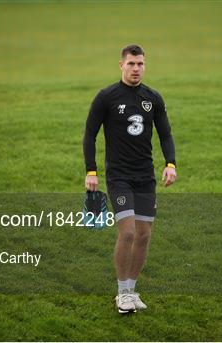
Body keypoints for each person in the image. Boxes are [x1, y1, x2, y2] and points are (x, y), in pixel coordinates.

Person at [83, 44, 177, 314]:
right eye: (131, 64)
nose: (136, 69)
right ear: (121, 65)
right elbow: (90, 134)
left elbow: (166, 135)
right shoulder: (106, 97)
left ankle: (132, 290)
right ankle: (122, 292)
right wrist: (91, 171)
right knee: (127, 233)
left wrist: (170, 164)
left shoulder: (153, 98)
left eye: (140, 64)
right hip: (119, 177)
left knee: (144, 235)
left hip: (145, 177)